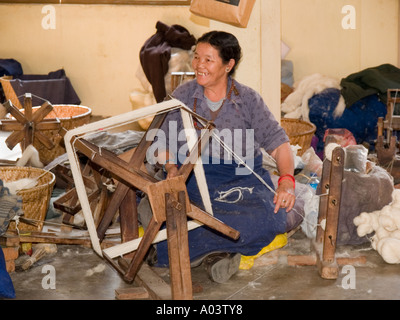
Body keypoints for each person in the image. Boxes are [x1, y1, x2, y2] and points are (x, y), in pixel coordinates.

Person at [145, 30, 297, 283]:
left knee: (271, 217)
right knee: (168, 212)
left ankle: (210, 250)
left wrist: (286, 181)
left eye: (208, 59)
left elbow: (279, 143)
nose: (198, 66)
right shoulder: (182, 96)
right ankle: (222, 251)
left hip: (240, 179)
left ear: (229, 65)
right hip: (191, 177)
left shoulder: (247, 100)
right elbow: (160, 139)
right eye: (197, 58)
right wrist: (171, 167)